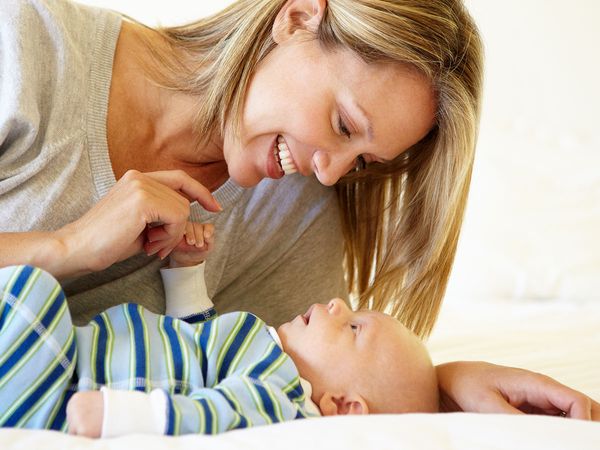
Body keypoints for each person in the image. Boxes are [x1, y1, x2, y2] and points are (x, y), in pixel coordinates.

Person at [0, 0, 597, 419]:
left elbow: (304, 389)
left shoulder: (294, 218)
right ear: (298, 18)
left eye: (361, 161)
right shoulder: (26, 48)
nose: (330, 171)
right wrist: (65, 249)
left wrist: (437, 388)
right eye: (343, 125)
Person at [0, 264, 438, 437]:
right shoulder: (265, 355)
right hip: (76, 358)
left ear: (345, 406)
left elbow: (215, 412)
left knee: (31, 292)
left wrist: (122, 416)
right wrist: (186, 278)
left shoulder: (281, 397)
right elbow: (196, 347)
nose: (338, 303)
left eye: (355, 326)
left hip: (71, 387)